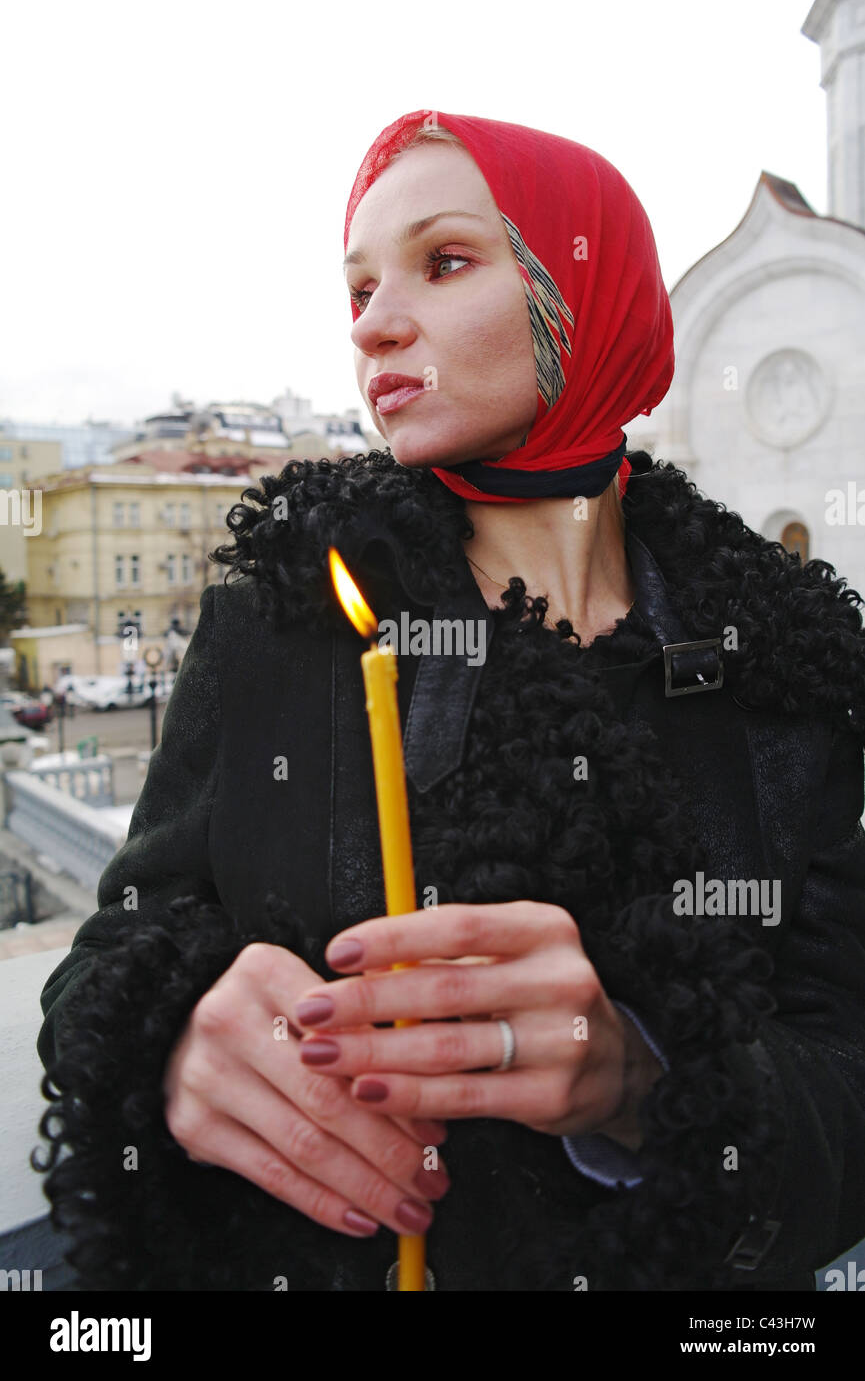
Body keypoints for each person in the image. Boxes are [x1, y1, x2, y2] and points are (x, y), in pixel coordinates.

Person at [34, 109, 865, 1293]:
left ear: (591, 290)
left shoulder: (784, 662)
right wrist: (168, 1039)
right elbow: (119, 939)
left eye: (445, 260)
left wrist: (647, 1081)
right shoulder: (291, 611)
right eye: (358, 285)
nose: (372, 321)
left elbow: (845, 1070)